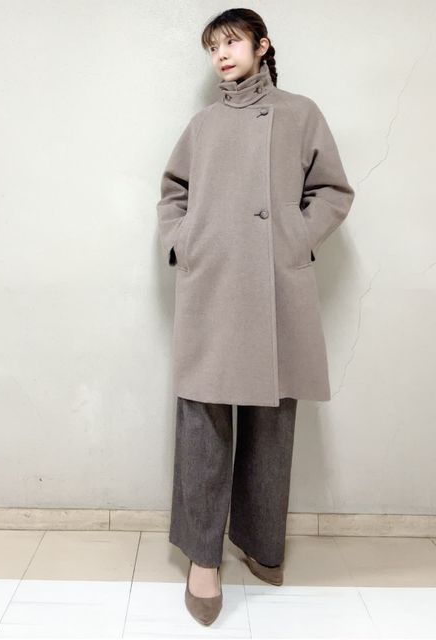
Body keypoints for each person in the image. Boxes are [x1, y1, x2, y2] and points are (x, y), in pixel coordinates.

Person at [156, 8, 355, 626]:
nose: (220, 54)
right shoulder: (204, 124)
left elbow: (333, 191)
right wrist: (184, 242)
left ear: (262, 45)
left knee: (272, 424)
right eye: (212, 47)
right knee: (203, 423)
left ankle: (260, 541)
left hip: (274, 287)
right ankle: (203, 559)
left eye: (232, 42)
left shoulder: (299, 113)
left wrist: (293, 238)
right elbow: (173, 193)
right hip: (213, 285)